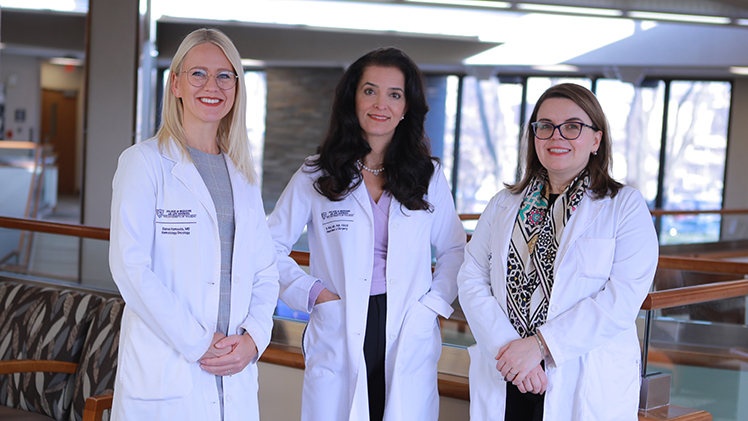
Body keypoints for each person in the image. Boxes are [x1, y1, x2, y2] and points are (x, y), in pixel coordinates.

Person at [267, 47, 466, 420]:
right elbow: (268, 246)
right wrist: (315, 294)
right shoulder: (317, 173)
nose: (381, 104)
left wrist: (432, 306)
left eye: (395, 94)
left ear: (407, 106)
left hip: (408, 319)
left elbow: (455, 249)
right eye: (370, 91)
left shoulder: (428, 175)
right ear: (352, 99)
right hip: (341, 316)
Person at [457, 83, 658, 421]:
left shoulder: (624, 207)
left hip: (581, 376)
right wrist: (510, 351)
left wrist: (539, 347)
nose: (556, 137)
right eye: (545, 126)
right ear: (533, 137)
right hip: (509, 372)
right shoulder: (503, 204)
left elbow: (621, 300)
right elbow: (471, 276)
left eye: (573, 127)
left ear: (596, 140)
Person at [108, 28, 279, 420]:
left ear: (236, 87)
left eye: (225, 75)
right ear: (176, 84)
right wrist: (199, 342)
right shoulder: (144, 163)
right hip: (169, 373)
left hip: (233, 371)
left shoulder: (243, 174)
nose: (212, 85)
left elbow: (265, 271)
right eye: (198, 73)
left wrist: (254, 338)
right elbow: (130, 269)